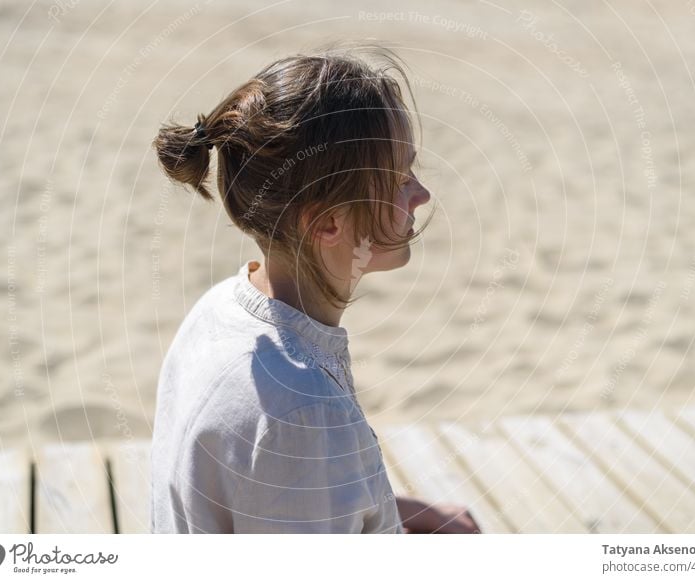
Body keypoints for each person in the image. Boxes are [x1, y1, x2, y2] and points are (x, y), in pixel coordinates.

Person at [150, 41, 480, 534]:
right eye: (399, 177)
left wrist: (401, 514)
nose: (421, 194)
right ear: (327, 222)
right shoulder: (302, 411)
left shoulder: (218, 309)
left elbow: (274, 498)